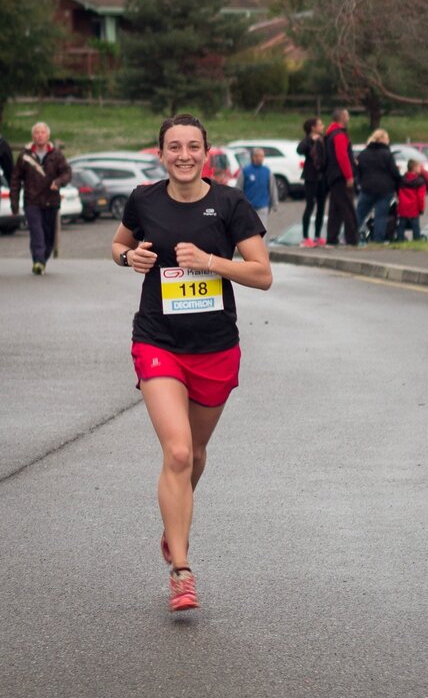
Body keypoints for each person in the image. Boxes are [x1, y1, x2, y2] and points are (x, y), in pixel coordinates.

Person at [111, 113, 272, 613]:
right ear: (160, 153)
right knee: (177, 452)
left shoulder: (230, 203)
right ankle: (181, 570)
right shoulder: (144, 199)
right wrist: (127, 258)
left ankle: (172, 524)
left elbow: (262, 274)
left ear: (207, 153)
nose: (184, 155)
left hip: (215, 348)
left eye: (193, 147)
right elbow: (118, 244)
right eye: (174, 147)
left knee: (195, 453)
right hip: (157, 340)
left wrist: (211, 263)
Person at [10, 122, 71, 274]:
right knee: (36, 232)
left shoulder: (56, 155)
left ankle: (42, 258)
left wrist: (58, 182)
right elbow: (15, 180)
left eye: (42, 132)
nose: (39, 135)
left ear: (48, 135)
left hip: (51, 201)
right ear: (33, 136)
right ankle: (38, 261)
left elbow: (67, 173)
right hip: (32, 201)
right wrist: (14, 203)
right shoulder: (25, 155)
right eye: (37, 132)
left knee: (49, 236)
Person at [356, 128, 401, 243]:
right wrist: (398, 186)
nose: (388, 141)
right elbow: (394, 172)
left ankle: (350, 236)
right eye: (387, 138)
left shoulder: (364, 153)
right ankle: (378, 240)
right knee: (381, 216)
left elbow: (358, 171)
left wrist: (360, 183)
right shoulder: (387, 154)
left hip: (367, 188)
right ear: (381, 139)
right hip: (385, 190)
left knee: (359, 214)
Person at [324, 108, 359, 246]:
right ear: (342, 117)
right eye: (347, 115)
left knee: (336, 209)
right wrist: (349, 176)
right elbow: (342, 156)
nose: (349, 118)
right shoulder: (339, 134)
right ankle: (352, 239)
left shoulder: (330, 133)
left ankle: (332, 238)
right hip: (341, 176)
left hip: (332, 176)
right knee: (348, 208)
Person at [297, 117, 327, 247]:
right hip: (311, 177)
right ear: (313, 127)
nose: (322, 126)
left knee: (321, 206)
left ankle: (317, 236)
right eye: (320, 125)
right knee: (310, 206)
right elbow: (299, 150)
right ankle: (305, 237)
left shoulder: (323, 139)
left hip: (322, 177)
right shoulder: (307, 141)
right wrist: (310, 139)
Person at [236, 147, 278, 230]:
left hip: (262, 207)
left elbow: (272, 188)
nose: (261, 158)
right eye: (259, 156)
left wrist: (274, 203)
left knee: (262, 231)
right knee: (249, 231)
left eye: (262, 156)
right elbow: (238, 188)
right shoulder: (245, 171)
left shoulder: (267, 171)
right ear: (254, 157)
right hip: (248, 208)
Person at [396, 159, 426, 241]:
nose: (420, 168)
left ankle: (400, 240)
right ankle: (416, 240)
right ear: (414, 168)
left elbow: (398, 193)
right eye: (419, 166)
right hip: (414, 209)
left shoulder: (401, 180)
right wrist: (421, 209)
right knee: (415, 228)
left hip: (402, 208)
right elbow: (421, 198)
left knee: (401, 227)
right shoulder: (420, 182)